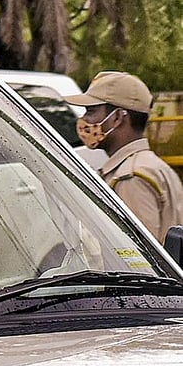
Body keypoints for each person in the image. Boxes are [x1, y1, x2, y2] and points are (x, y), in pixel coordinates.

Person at [65, 71, 183, 243]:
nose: (84, 120)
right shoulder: (151, 165)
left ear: (118, 117)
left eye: (91, 111)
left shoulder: (131, 177)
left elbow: (139, 257)